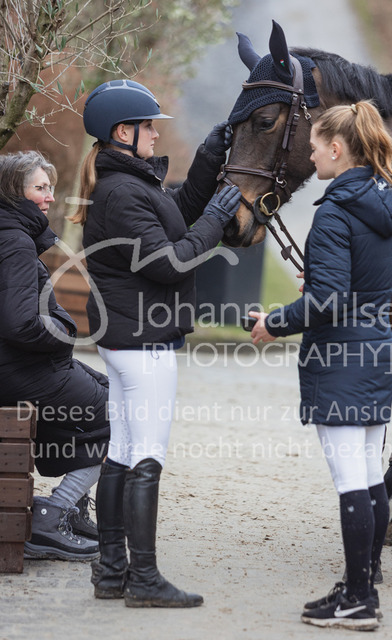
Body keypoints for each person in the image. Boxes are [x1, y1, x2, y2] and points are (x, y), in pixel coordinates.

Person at [70, 79, 241, 607]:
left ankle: (111, 571)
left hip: (129, 337)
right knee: (146, 455)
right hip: (142, 341)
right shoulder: (123, 192)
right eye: (148, 126)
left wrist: (209, 157)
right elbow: (169, 262)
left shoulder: (129, 182)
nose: (155, 134)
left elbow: (176, 215)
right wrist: (217, 221)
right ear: (123, 132)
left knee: (123, 452)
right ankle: (143, 579)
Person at [250, 100, 392, 631]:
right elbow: (361, 278)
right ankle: (363, 583)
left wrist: (274, 323)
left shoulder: (336, 210)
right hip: (376, 350)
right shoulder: (386, 197)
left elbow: (329, 300)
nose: (310, 156)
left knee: (351, 481)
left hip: (340, 357)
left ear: (337, 149)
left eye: (314, 147)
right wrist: (321, 277)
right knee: (368, 474)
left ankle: (359, 600)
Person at [0, 150, 110, 562]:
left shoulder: (12, 233)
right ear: (15, 192)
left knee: (110, 391)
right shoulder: (14, 241)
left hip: (23, 365)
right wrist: (64, 333)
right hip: (22, 369)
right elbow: (19, 323)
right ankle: (54, 514)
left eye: (50, 187)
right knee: (127, 414)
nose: (49, 197)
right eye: (40, 188)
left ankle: (73, 512)